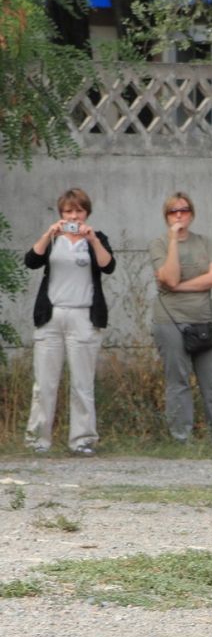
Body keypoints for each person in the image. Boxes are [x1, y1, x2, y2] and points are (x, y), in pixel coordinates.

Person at [24, 188, 116, 456]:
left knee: (82, 383)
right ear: (61, 213)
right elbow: (31, 261)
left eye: (78, 211)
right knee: (44, 383)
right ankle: (37, 440)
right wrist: (49, 234)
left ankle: (82, 440)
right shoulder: (53, 239)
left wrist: (92, 240)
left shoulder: (96, 238)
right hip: (52, 316)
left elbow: (108, 266)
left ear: (86, 213)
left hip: (84, 316)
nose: (73, 216)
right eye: (68, 211)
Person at [150, 192, 212, 446]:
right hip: (171, 321)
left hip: (204, 321)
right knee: (179, 382)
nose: (179, 215)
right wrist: (174, 240)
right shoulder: (159, 244)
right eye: (173, 211)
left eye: (184, 210)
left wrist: (178, 287)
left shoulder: (205, 242)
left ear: (192, 213)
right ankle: (181, 439)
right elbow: (170, 278)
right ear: (166, 216)